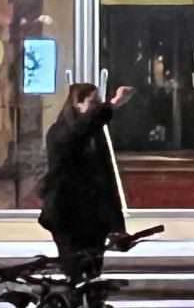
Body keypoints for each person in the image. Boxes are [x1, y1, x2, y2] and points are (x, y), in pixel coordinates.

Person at [39, 81, 133, 258]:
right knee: (76, 266)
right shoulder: (60, 132)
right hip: (67, 214)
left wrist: (118, 228)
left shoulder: (94, 137)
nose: (97, 108)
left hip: (94, 217)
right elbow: (79, 131)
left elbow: (106, 181)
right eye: (93, 103)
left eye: (99, 103)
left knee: (92, 269)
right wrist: (112, 104)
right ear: (77, 104)